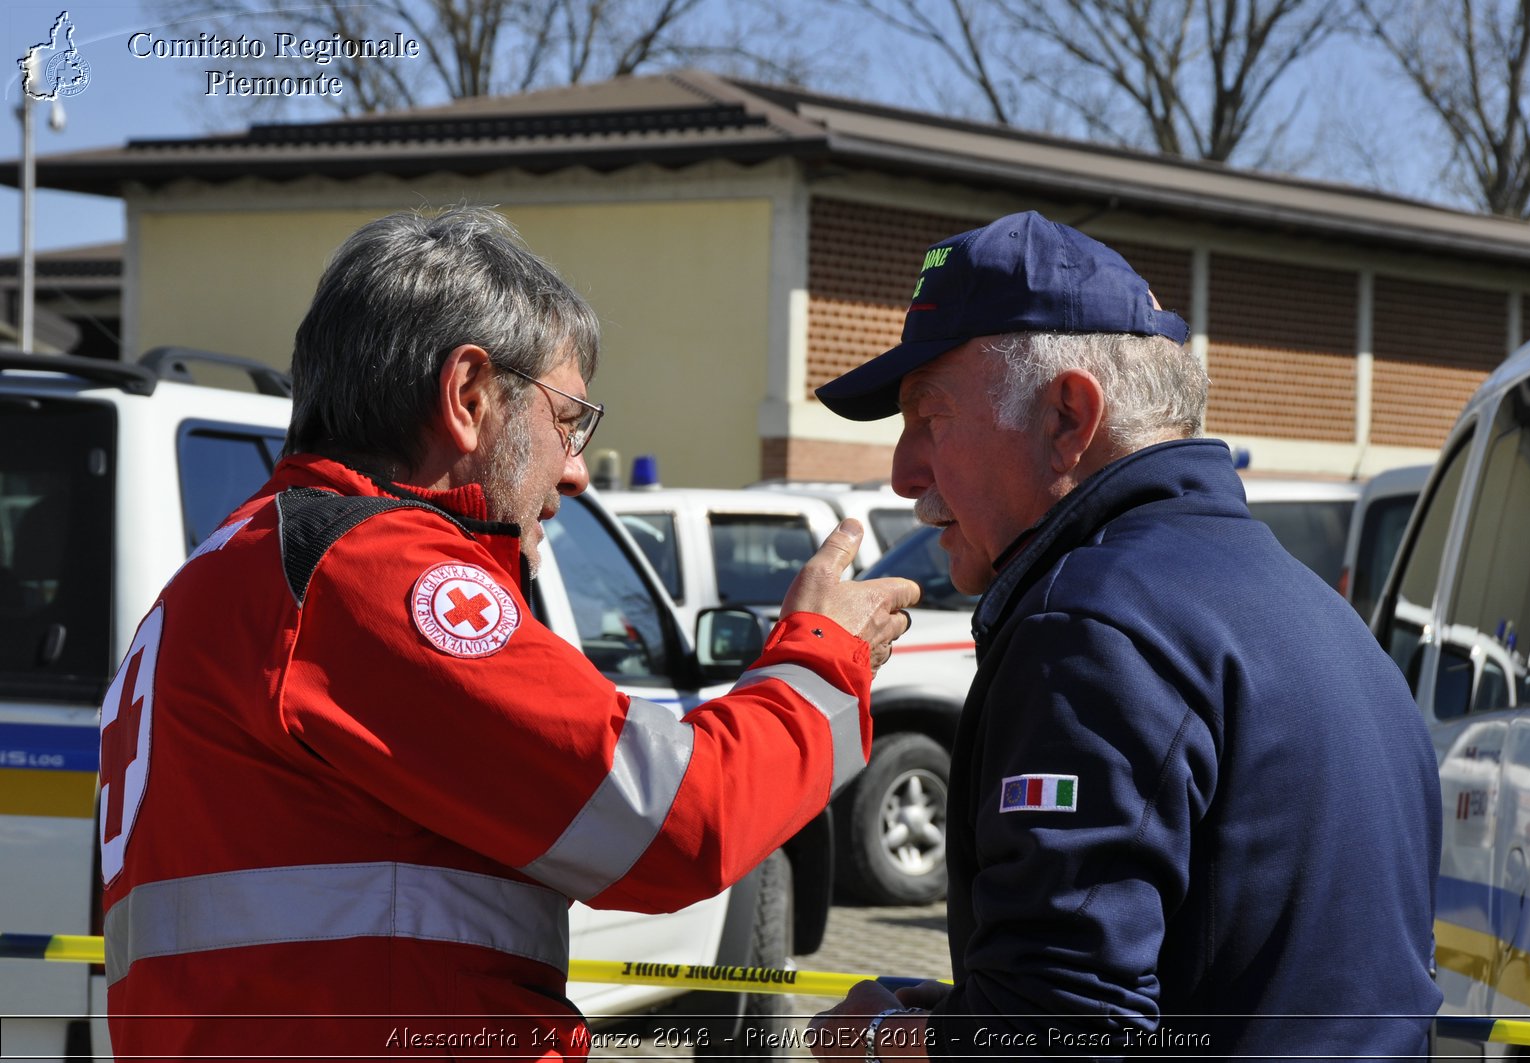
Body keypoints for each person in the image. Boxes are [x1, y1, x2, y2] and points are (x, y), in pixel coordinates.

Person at [97, 206, 918, 1059]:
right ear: (469, 396)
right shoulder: (367, 570)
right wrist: (825, 654)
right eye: (568, 419)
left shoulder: (230, 568)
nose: (574, 469)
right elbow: (679, 822)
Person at [806, 211, 1441, 1059]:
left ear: (1069, 416)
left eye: (930, 414)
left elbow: (1066, 1035)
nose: (902, 471)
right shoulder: (1317, 613)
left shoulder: (1088, 628)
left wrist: (883, 1038)